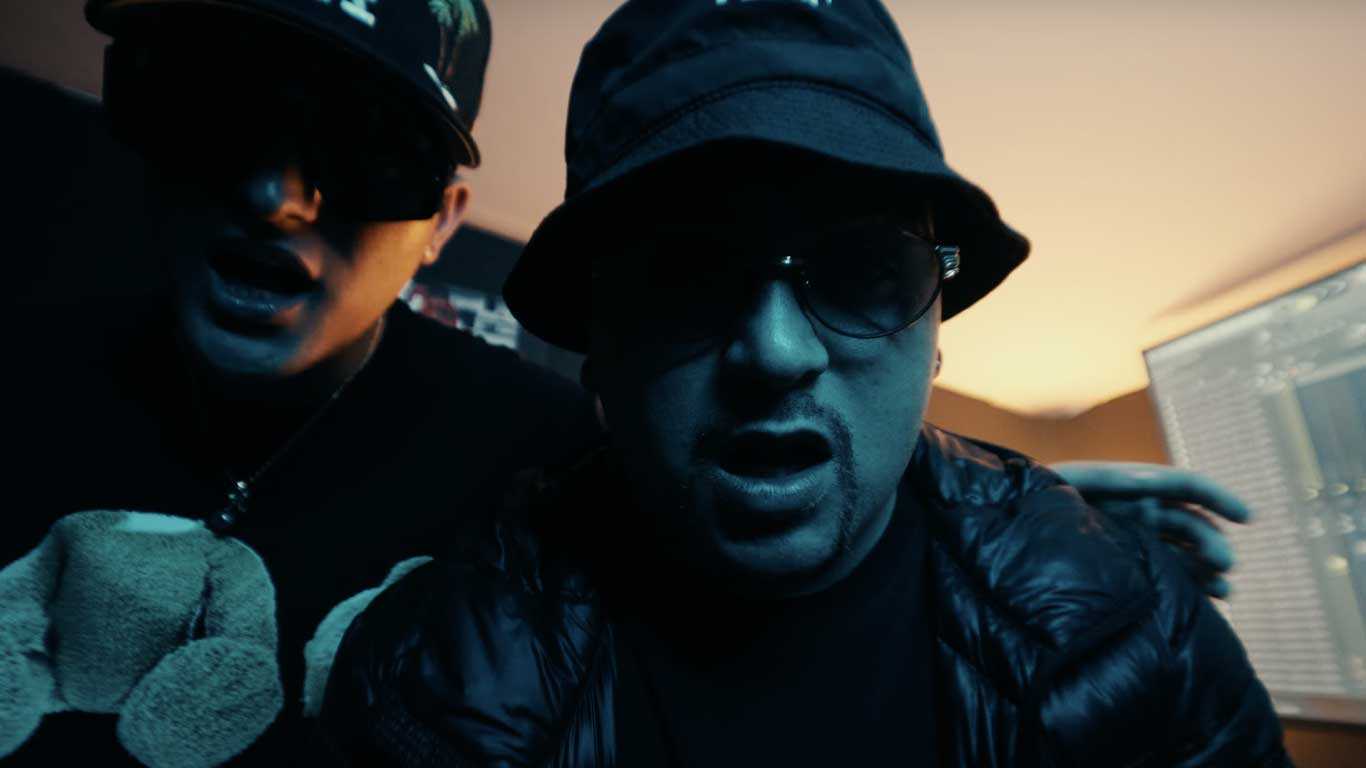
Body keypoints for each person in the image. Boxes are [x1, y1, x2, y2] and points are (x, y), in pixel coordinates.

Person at [320, 1, 1291, 766]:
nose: (777, 352)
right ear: (599, 347)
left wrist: (1050, 546)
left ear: (936, 331)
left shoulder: (1133, 633)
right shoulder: (427, 680)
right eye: (685, 274)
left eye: (864, 270)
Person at [2, 1, 601, 764]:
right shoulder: (25, 373)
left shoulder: (542, 466)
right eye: (220, 113)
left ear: (441, 224)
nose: (273, 198)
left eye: (365, 152)